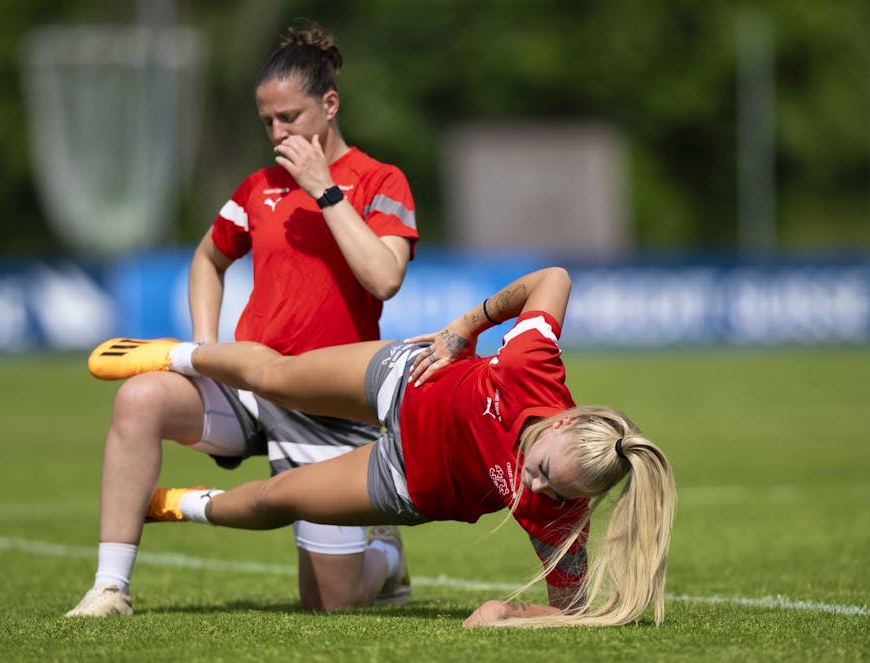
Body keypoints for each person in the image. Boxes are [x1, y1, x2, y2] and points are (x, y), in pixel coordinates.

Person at [87, 266, 677, 628]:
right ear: (557, 425)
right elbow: (555, 278)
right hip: (405, 380)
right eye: (545, 470)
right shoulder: (532, 366)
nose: (537, 486)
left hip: (405, 481)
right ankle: (172, 354)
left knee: (278, 498)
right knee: (277, 378)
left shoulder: (560, 510)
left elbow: (572, 608)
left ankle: (174, 505)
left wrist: (512, 615)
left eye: (555, 490)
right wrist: (466, 327)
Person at [65, 21, 419, 617]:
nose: (278, 133)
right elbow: (208, 257)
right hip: (250, 384)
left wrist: (324, 191)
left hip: (330, 404)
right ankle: (109, 589)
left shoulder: (381, 181)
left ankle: (383, 558)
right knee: (139, 398)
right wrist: (207, 349)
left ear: (329, 105)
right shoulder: (259, 187)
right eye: (267, 122)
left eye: (291, 117)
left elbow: (384, 277)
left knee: (331, 605)